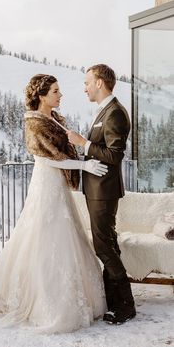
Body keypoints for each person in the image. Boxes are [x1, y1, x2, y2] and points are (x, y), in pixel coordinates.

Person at [0, 73, 108, 334]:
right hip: (47, 182)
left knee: (65, 233)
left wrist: (82, 151)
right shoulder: (35, 123)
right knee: (46, 234)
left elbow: (64, 151)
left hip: (57, 184)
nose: (60, 95)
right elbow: (49, 159)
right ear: (41, 96)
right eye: (55, 92)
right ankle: (47, 300)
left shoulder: (53, 118)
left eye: (59, 91)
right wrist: (84, 164)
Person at [67, 64, 136, 324]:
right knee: (108, 243)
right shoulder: (105, 111)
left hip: (103, 191)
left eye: (87, 82)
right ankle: (115, 301)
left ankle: (127, 304)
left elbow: (115, 156)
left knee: (103, 246)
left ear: (99, 82)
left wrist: (83, 143)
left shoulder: (115, 113)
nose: (84, 87)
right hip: (97, 189)